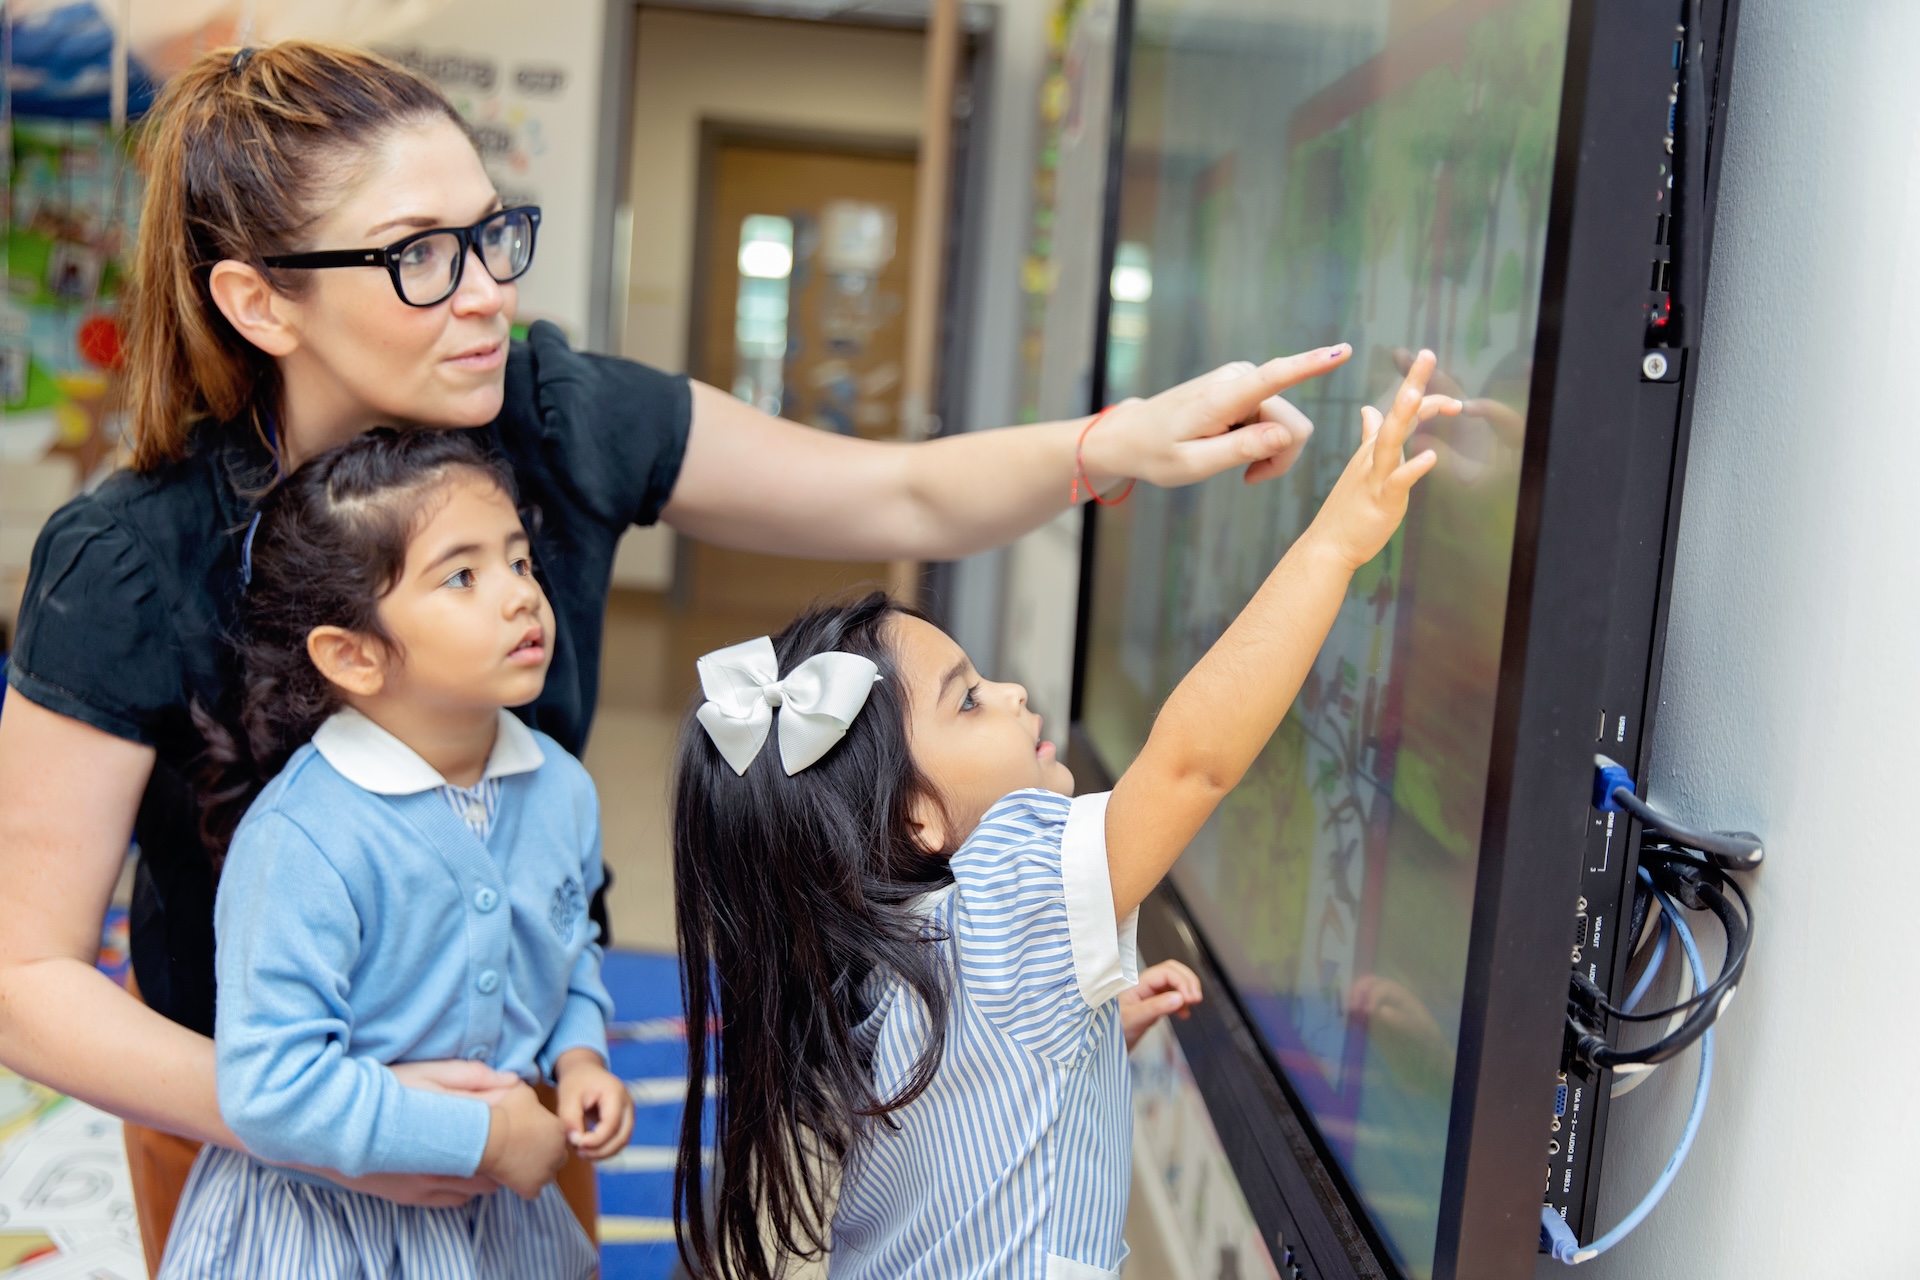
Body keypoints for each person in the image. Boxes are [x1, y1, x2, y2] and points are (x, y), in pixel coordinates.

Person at [0, 40, 1343, 1268]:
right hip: (248, 1135)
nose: (485, 294)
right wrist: (320, 1124)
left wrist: (1120, 443)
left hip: (523, 1131)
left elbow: (903, 496)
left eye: (493, 236)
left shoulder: (556, 414)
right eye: (420, 256)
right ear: (260, 301)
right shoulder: (131, 560)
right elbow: (24, 978)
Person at [670, 354, 1460, 1279]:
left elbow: (967, 1090)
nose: (1010, 693)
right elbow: (1193, 763)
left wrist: (1080, 1040)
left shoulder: (885, 952)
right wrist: (1334, 546)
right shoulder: (1008, 895)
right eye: (968, 701)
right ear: (918, 821)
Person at [160, 429, 633, 1277]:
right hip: (321, 1229)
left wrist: (580, 1052)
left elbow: (569, 950)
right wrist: (482, 1134)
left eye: (519, 563)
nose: (522, 597)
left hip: (494, 1221)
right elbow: (273, 1088)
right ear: (355, 655)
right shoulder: (303, 841)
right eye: (462, 576)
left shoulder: (560, 789)